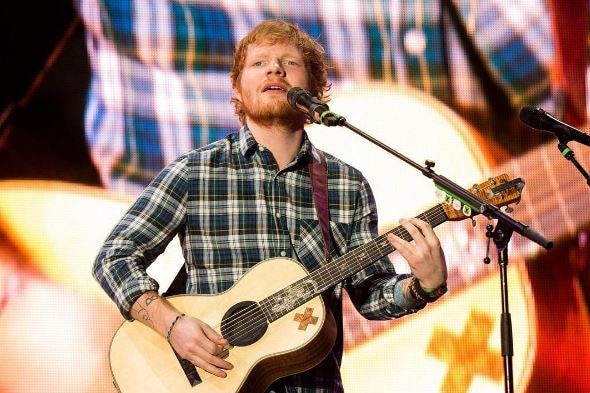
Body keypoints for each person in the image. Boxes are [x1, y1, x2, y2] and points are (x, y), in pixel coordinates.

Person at [93, 19, 448, 393]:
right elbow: (114, 257)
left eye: (290, 63)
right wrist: (172, 324)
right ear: (238, 87)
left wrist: (422, 286)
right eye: (259, 62)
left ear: (313, 91)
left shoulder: (346, 184)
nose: (275, 69)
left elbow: (371, 293)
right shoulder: (195, 172)